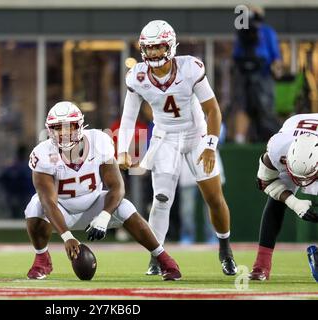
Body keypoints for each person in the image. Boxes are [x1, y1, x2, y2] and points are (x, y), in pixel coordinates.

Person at [117, 20, 237, 276]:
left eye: (158, 47)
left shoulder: (190, 68)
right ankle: (156, 255)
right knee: (161, 200)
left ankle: (225, 248)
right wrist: (122, 149)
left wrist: (210, 144)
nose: (153, 54)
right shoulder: (137, 76)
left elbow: (212, 110)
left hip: (196, 135)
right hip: (165, 138)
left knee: (214, 198)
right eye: (148, 49)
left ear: (170, 46)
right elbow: (129, 116)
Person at [25, 101, 181, 281]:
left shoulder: (99, 141)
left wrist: (105, 215)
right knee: (35, 207)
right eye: (58, 128)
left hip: (93, 204)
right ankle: (42, 259)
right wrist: (67, 236)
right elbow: (48, 202)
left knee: (125, 207)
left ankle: (163, 258)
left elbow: (117, 187)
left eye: (70, 126)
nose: (64, 133)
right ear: (50, 130)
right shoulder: (42, 153)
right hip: (61, 210)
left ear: (81, 126)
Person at [249, 114, 318, 281]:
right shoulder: (278, 147)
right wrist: (294, 203)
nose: (301, 183)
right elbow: (265, 181)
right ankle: (261, 265)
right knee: (275, 202)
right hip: (296, 133)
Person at [232, 5, 282, 143]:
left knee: (265, 107)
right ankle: (240, 139)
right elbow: (236, 55)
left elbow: (276, 56)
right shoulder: (241, 32)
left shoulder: (267, 32)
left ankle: (271, 140)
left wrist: (276, 70)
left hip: (263, 74)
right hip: (244, 75)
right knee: (243, 106)